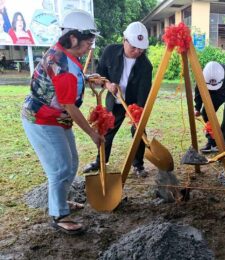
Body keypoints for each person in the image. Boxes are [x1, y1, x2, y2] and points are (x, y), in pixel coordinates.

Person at [21, 10, 103, 234]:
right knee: (60, 167)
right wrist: (92, 134)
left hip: (56, 118)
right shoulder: (63, 65)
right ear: (73, 37)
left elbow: (68, 77)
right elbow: (69, 105)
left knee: (72, 161)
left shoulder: (65, 55)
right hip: (42, 120)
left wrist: (87, 78)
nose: (90, 46)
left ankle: (61, 201)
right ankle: (59, 215)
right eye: (88, 41)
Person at [83, 22, 152, 177]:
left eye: (141, 48)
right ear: (124, 40)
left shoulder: (145, 66)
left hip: (134, 103)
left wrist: (138, 113)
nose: (137, 51)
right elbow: (98, 75)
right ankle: (100, 160)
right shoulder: (110, 52)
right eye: (133, 47)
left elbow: (144, 92)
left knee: (138, 132)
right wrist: (108, 84)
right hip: (114, 101)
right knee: (107, 131)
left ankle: (138, 165)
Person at [194, 61, 225, 152]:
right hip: (216, 93)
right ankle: (212, 142)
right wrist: (197, 107)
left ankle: (224, 144)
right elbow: (199, 90)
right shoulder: (202, 75)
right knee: (206, 113)